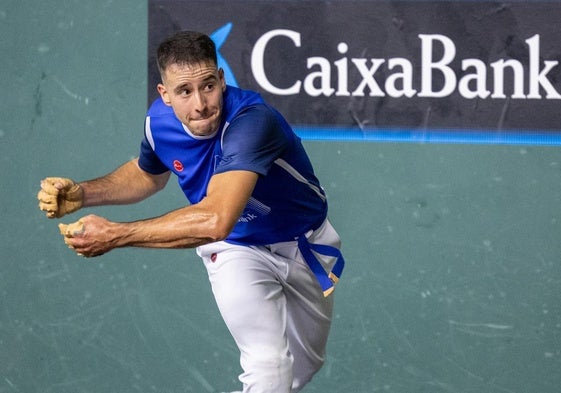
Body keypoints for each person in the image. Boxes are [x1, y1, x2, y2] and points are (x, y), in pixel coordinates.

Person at [37, 30, 344, 393]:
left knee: (302, 367)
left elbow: (215, 218)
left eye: (208, 86)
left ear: (221, 80)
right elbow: (147, 175)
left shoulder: (252, 122)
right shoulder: (158, 123)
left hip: (305, 245)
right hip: (236, 249)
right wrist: (85, 193)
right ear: (165, 95)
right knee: (269, 366)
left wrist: (117, 234)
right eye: (184, 91)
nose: (200, 103)